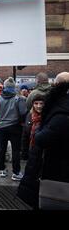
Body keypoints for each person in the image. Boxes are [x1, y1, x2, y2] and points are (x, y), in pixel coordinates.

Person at [18, 72, 69, 209]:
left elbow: (42, 138)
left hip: (54, 170)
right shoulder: (58, 106)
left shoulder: (59, 111)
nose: (40, 106)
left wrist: (40, 128)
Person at [0, 77, 27, 181]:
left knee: (1, 149)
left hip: (1, 127)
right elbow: (23, 112)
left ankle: (1, 170)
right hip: (15, 127)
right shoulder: (19, 98)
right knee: (15, 150)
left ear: (5, 87)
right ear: (14, 87)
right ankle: (16, 173)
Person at [21, 94, 45, 160]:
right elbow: (25, 135)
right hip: (32, 150)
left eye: (41, 103)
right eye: (36, 103)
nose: (39, 106)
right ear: (33, 104)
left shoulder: (47, 116)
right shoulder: (29, 115)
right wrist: (24, 152)